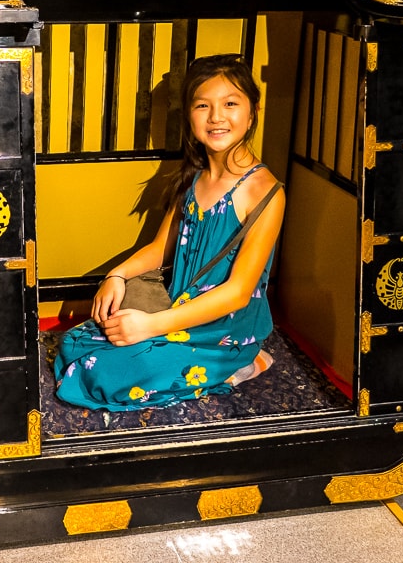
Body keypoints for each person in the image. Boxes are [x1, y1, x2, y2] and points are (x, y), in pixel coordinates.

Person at [55, 54, 286, 410]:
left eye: (230, 104)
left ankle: (241, 361)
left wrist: (151, 326)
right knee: (76, 343)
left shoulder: (265, 192)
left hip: (222, 326)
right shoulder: (194, 176)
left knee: (104, 374)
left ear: (252, 111)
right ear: (189, 114)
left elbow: (238, 293)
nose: (216, 117)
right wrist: (116, 276)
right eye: (202, 106)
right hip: (174, 307)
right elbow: (162, 246)